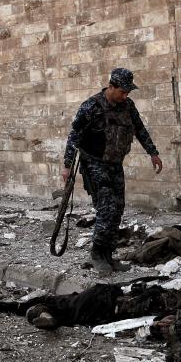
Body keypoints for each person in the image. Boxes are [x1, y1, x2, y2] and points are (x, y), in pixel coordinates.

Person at [62, 67, 163, 274]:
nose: (125, 96)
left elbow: (140, 129)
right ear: (111, 86)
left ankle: (108, 255)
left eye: (128, 92)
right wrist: (67, 166)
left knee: (118, 209)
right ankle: (97, 254)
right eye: (122, 92)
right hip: (94, 163)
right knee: (106, 208)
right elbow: (75, 136)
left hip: (115, 164)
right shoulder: (91, 106)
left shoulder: (127, 106)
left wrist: (153, 153)